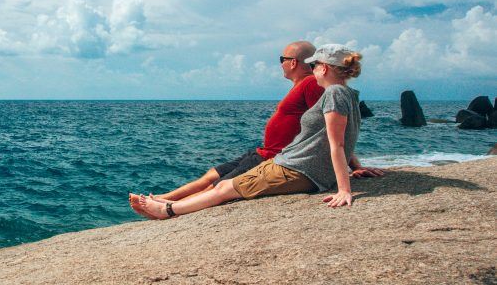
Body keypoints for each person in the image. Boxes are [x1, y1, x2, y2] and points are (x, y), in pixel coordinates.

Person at [131, 44, 384, 219]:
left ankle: (167, 211)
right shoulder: (344, 94)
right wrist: (354, 168)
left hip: (299, 168)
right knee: (224, 183)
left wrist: (344, 189)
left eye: (315, 65)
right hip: (290, 161)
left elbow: (337, 142)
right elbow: (338, 136)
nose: (312, 69)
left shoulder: (335, 93)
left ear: (325, 68)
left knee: (224, 189)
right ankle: (170, 203)